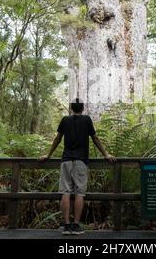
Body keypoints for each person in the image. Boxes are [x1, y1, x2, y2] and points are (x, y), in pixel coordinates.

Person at [40, 98, 116, 235]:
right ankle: (75, 225)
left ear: (71, 108)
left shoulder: (65, 120)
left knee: (65, 192)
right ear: (82, 108)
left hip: (66, 160)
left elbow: (57, 138)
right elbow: (95, 138)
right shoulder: (87, 120)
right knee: (80, 193)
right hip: (81, 161)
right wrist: (106, 154)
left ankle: (66, 226)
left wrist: (48, 154)